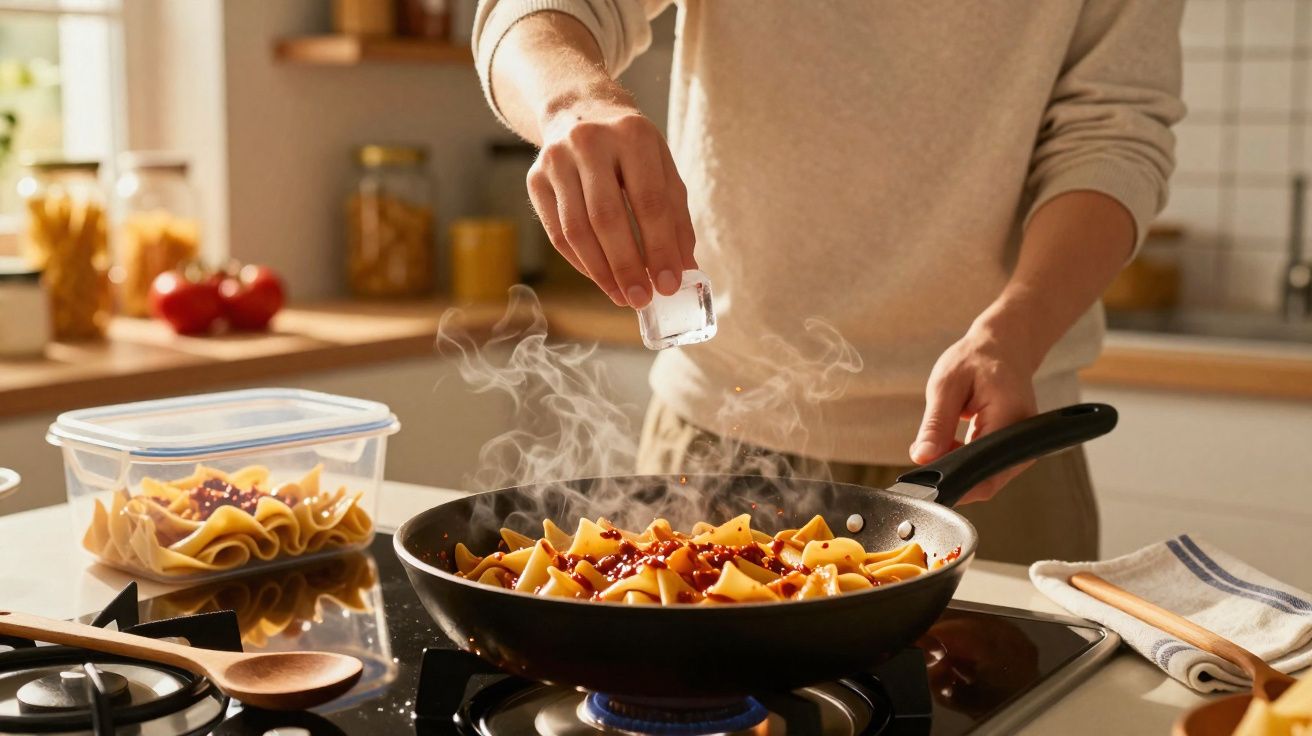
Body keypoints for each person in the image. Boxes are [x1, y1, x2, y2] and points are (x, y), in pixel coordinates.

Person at [471, 1, 1183, 564]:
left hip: (992, 447)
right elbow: (532, 13)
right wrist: (573, 103)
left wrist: (1016, 330)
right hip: (719, 429)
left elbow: (1113, 138)